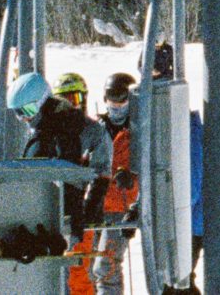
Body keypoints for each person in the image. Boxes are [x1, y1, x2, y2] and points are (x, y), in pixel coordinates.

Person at [28, 76, 113, 295]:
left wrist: (93, 204)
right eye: (65, 98)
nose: (71, 103)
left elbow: (102, 169)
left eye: (75, 97)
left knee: (80, 273)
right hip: (51, 210)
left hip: (78, 211)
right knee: (56, 273)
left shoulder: (91, 130)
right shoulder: (47, 131)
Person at [91, 76, 139, 295]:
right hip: (98, 205)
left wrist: (131, 179)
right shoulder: (98, 127)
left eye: (122, 101)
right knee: (89, 267)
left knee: (105, 267)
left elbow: (149, 167)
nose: (116, 106)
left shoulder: (138, 130)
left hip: (122, 207)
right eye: (112, 100)